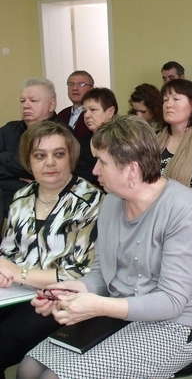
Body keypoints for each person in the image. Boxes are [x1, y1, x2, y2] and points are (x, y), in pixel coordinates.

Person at [18, 116, 192, 379]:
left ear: (131, 170)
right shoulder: (111, 202)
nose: (95, 170)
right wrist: (73, 290)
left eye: (102, 162)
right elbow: (102, 272)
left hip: (179, 326)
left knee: (53, 378)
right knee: (28, 368)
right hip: (120, 314)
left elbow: (171, 302)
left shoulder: (183, 208)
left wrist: (98, 306)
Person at [0, 121, 102, 375]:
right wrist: (4, 272)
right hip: (14, 292)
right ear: (28, 160)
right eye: (40, 156)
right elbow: (8, 254)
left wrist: (20, 273)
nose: (50, 163)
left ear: (71, 157)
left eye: (59, 154)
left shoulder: (89, 200)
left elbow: (78, 272)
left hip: (58, 300)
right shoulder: (22, 197)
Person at [0, 79, 58, 213]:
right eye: (22, 101)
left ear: (51, 105)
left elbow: (43, 170)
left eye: (33, 100)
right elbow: (31, 168)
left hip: (40, 209)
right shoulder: (9, 129)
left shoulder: (61, 133)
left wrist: (4, 159)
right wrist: (20, 179)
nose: (26, 105)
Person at [75, 88, 118, 185]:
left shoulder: (123, 143)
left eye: (93, 110)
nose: (86, 115)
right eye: (84, 111)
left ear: (110, 112)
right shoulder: (79, 144)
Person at [56, 71, 94, 139]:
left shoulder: (95, 113)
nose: (75, 88)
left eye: (81, 84)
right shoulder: (62, 114)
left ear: (91, 89)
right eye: (71, 84)